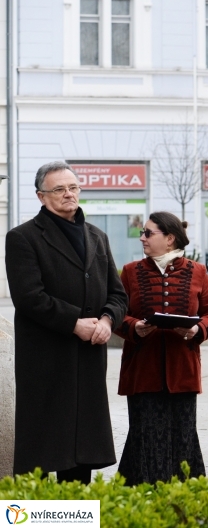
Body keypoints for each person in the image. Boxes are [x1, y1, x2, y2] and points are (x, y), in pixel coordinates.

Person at [6, 161, 128, 483]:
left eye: (73, 187)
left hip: (88, 359)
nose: (68, 194)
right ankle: (35, 517)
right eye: (59, 189)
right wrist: (75, 322)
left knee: (81, 456)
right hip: (47, 361)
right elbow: (29, 297)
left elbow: (117, 294)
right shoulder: (22, 238)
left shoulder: (97, 236)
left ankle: (73, 515)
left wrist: (106, 319)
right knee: (42, 451)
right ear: (41, 196)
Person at [115, 212, 208, 485]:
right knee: (144, 436)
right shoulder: (130, 271)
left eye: (148, 233)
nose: (142, 238)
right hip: (142, 372)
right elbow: (117, 314)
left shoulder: (197, 271)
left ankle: (185, 503)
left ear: (170, 238)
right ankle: (141, 504)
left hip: (182, 373)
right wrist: (134, 326)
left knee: (183, 436)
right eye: (143, 232)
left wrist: (198, 329)